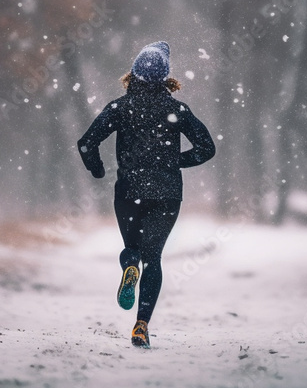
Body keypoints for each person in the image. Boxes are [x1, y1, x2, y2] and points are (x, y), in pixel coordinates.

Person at [77, 41, 216, 348]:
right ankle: (141, 325)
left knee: (133, 250)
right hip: (166, 194)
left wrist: (98, 170)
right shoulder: (176, 109)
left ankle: (129, 267)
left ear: (134, 74)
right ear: (166, 77)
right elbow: (208, 148)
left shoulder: (119, 108)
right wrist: (175, 161)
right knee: (154, 259)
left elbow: (86, 143)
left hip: (128, 191)